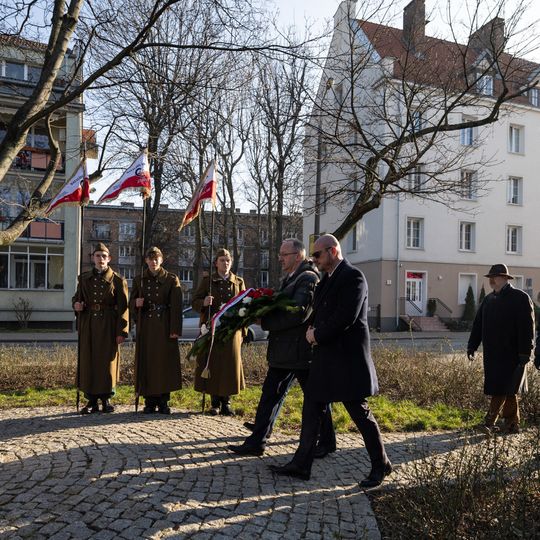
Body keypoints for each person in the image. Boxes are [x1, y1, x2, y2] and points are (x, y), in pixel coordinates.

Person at [269, 234, 392, 487]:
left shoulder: (353, 277)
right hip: (326, 359)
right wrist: (311, 330)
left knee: (360, 414)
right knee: (311, 408)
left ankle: (381, 465)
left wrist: (316, 335)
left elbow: (345, 317)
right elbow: (318, 310)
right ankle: (301, 464)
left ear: (333, 251)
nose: (314, 259)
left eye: (317, 254)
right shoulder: (327, 279)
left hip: (347, 360)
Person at [228, 238, 336, 457]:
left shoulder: (308, 279)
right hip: (286, 351)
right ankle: (257, 441)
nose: (280, 258)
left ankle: (326, 441)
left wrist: (265, 322)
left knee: (315, 397)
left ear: (298, 256)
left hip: (300, 351)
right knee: (271, 394)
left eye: (284, 254)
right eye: (280, 254)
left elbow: (298, 313)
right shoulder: (292, 278)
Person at [467, 264, 534, 435]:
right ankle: (512, 424)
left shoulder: (520, 298)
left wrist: (525, 352)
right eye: (490, 276)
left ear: (505, 278)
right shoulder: (488, 300)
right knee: (507, 390)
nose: (491, 280)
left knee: (505, 388)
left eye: (495, 276)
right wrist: (472, 346)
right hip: (493, 354)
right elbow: (478, 325)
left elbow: (527, 327)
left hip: (513, 354)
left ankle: (490, 422)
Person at [73, 243, 129, 414]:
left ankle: (106, 399)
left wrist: (122, 331)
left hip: (108, 325)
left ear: (109, 259)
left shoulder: (118, 280)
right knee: (88, 361)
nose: (100, 259)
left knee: (107, 362)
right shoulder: (83, 279)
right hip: (88, 324)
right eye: (97, 256)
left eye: (104, 256)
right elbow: (76, 298)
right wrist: (76, 305)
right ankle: (91, 401)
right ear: (92, 258)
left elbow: (124, 308)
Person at [192, 248, 246, 415]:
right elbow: (195, 301)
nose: (226, 263)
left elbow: (245, 306)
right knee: (213, 363)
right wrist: (204, 302)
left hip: (232, 330)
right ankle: (214, 402)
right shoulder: (208, 281)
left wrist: (243, 331)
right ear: (216, 263)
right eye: (222, 260)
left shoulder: (238, 282)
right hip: (212, 328)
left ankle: (226, 402)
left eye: (228, 260)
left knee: (229, 365)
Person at [130, 246, 183, 414]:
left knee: (164, 363)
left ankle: (163, 401)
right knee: (147, 362)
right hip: (146, 325)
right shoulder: (140, 280)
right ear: (146, 260)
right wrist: (136, 304)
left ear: (162, 260)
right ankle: (149, 401)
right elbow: (131, 304)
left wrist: (175, 329)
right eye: (150, 259)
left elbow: (176, 306)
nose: (153, 262)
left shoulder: (171, 279)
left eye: (156, 258)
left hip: (165, 325)